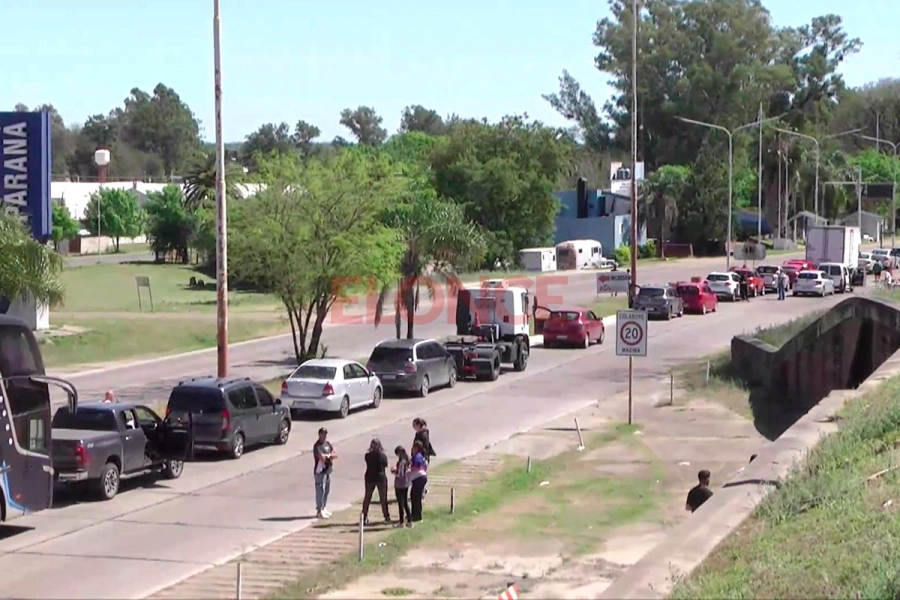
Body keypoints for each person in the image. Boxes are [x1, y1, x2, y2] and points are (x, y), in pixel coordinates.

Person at [361, 438, 391, 525]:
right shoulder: (382, 456)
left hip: (370, 478)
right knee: (383, 499)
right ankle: (386, 517)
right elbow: (385, 464)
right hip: (380, 478)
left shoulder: (367, 455)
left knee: (367, 498)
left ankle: (364, 516)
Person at [313, 427, 337, 519]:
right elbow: (321, 457)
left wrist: (329, 456)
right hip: (320, 471)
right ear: (319, 435)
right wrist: (329, 456)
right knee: (320, 490)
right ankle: (319, 510)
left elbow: (335, 454)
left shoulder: (328, 444)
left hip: (327, 470)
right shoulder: (317, 446)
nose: (325, 435)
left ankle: (323, 507)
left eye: (326, 434)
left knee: (326, 490)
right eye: (323, 434)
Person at [413, 418, 436, 499]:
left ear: (419, 425)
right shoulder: (418, 434)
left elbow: (425, 448)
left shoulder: (423, 435)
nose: (413, 427)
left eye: (414, 425)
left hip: (423, 458)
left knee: (421, 475)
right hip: (419, 457)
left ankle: (423, 491)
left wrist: (422, 457)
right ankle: (423, 490)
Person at [391, 445, 412, 528]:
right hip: (406, 483)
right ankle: (409, 520)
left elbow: (400, 474)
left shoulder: (401, 462)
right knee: (406, 503)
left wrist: (393, 471)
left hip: (400, 484)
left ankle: (401, 522)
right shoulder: (407, 460)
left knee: (401, 503)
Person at [409, 440, 428, 525]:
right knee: (413, 496)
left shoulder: (417, 456)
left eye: (413, 447)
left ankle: (417, 516)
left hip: (419, 478)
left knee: (416, 497)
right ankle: (414, 514)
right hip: (420, 477)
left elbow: (417, 467)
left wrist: (410, 468)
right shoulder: (420, 456)